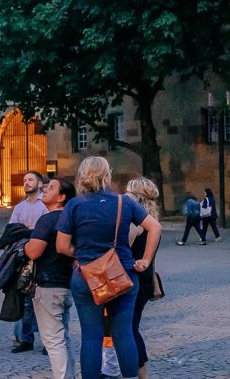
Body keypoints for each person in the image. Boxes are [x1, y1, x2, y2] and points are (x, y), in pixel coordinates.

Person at [55, 157, 162, 379]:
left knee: (91, 336)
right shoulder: (124, 202)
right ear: (106, 176)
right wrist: (144, 260)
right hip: (122, 273)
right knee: (124, 334)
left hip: (85, 276)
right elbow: (155, 227)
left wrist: (84, 255)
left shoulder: (74, 205)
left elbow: (62, 246)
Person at [24, 176, 77, 379]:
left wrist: (25, 245)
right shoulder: (72, 220)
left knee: (54, 342)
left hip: (48, 285)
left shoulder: (48, 220)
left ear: (61, 197)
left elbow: (34, 251)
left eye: (52, 187)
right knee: (63, 337)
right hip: (67, 284)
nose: (45, 189)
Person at [125, 176, 161, 379]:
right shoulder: (152, 220)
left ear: (137, 197)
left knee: (129, 329)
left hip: (134, 280)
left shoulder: (139, 223)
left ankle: (140, 373)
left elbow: (123, 244)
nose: (124, 196)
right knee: (132, 327)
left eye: (128, 193)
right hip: (144, 280)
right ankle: (141, 373)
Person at [8, 171, 48, 353]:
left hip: (43, 256)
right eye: (24, 180)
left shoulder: (45, 205)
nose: (26, 183)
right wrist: (29, 230)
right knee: (25, 298)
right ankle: (26, 338)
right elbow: (12, 230)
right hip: (23, 256)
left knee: (44, 299)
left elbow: (46, 229)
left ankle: (49, 342)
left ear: (40, 184)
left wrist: (29, 230)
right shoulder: (19, 207)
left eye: (30, 180)